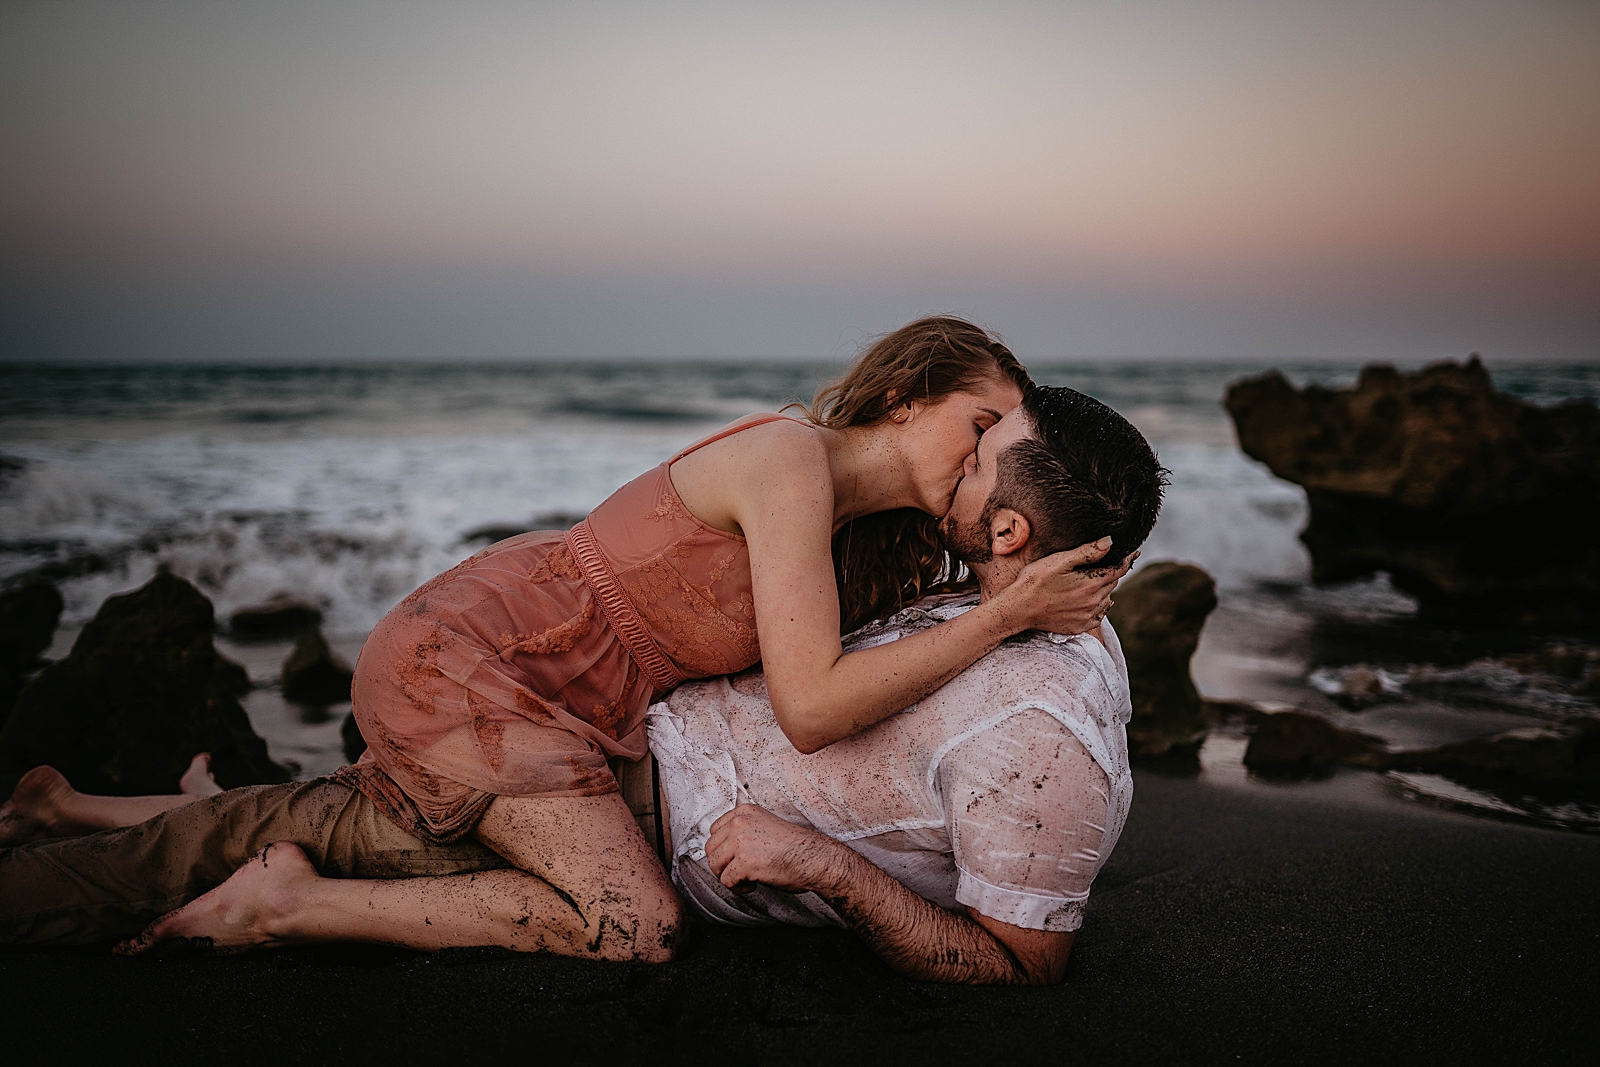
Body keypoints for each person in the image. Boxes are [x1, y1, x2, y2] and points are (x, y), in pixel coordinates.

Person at [0, 319, 1130, 960]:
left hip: (560, 690)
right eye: (980, 425)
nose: (985, 459)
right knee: (633, 924)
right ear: (905, 396)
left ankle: (77, 810)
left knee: (367, 816)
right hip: (487, 657)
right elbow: (814, 704)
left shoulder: (862, 530)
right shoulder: (790, 465)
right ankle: (264, 905)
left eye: (1001, 450)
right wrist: (1004, 613)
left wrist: (1042, 580)